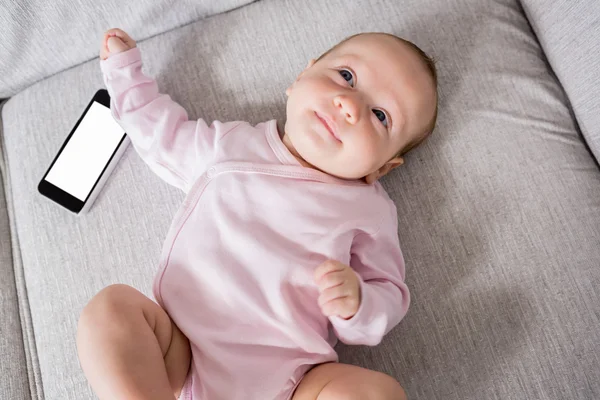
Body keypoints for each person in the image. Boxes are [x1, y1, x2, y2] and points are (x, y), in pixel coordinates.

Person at [76, 27, 438, 400]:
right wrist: (125, 76)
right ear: (301, 77)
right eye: (346, 77)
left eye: (380, 116)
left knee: (375, 393)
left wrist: (359, 302)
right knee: (110, 310)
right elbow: (162, 135)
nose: (350, 105)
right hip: (184, 351)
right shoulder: (231, 148)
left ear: (383, 167)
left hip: (294, 377)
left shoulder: (370, 209)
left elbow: (390, 293)